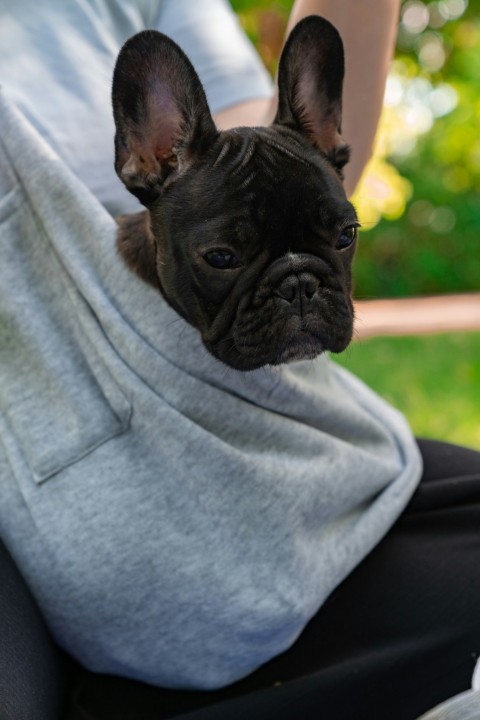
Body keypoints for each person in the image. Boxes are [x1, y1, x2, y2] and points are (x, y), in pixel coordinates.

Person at [0, 2, 479, 720]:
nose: (297, 291)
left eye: (335, 242)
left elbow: (258, 147)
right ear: (146, 155)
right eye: (225, 258)